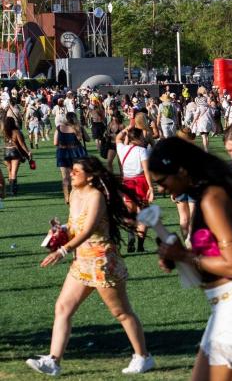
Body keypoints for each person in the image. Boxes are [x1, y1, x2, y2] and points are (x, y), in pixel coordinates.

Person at [151, 138, 232, 380]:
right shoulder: (207, 195)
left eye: (162, 181)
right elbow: (211, 263)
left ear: (181, 171)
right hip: (226, 308)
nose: (161, 189)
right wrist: (179, 259)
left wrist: (184, 255)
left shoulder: (212, 198)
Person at [27, 158, 154, 376]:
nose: (71, 174)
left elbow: (88, 230)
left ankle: (143, 357)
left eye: (77, 171)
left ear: (91, 176)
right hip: (82, 263)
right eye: (72, 170)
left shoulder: (96, 196)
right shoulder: (75, 194)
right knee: (63, 308)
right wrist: (60, 231)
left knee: (121, 313)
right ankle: (53, 361)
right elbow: (76, 226)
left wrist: (63, 250)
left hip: (102, 262)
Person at [116, 127, 155, 253]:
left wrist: (125, 130)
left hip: (127, 182)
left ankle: (131, 235)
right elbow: (146, 170)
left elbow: (117, 138)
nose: (144, 139)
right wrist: (151, 187)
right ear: (138, 138)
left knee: (130, 213)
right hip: (141, 182)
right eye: (142, 137)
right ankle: (140, 245)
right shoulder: (142, 150)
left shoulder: (121, 148)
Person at [54, 112, 88, 203]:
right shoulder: (77, 128)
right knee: (75, 176)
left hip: (63, 152)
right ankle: (74, 197)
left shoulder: (59, 128)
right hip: (76, 152)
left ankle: (67, 198)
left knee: (65, 177)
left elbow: (55, 143)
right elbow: (87, 139)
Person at [3, 115, 31, 196]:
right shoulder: (16, 132)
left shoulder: (5, 132)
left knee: (9, 171)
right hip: (14, 152)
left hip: (6, 152)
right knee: (14, 172)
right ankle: (13, 190)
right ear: (13, 123)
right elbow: (22, 144)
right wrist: (28, 152)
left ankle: (11, 188)